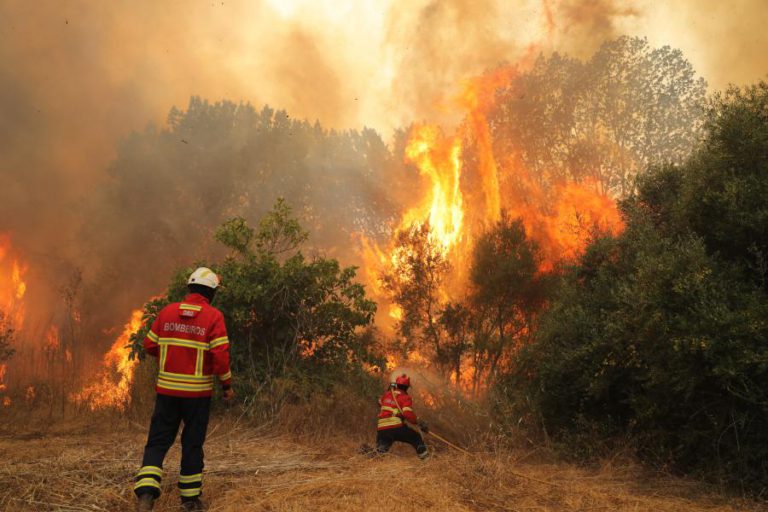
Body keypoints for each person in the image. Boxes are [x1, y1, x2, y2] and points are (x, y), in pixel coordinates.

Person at [134, 267, 234, 512]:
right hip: (197, 395)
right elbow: (220, 356)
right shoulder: (213, 316)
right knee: (192, 444)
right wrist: (227, 385)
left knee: (157, 441)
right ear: (212, 292)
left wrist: (172, 354)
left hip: (167, 391)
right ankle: (190, 501)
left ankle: (146, 494)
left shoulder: (167, 311)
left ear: (189, 288)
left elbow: (149, 345)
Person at [375, 373, 429, 460]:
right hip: (396, 427)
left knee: (380, 451)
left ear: (396, 385)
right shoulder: (405, 397)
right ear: (407, 387)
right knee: (416, 437)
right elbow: (407, 413)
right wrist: (418, 422)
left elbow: (380, 402)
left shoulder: (387, 394)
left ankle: (367, 454)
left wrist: (389, 390)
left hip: (382, 428)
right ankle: (426, 460)